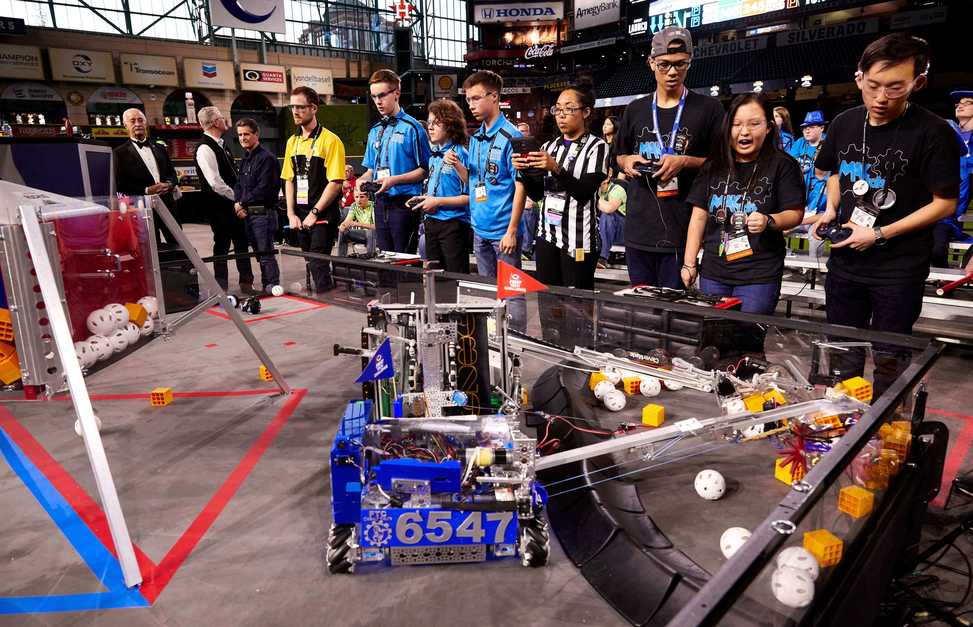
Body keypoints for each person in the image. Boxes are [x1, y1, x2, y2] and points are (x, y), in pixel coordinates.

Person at [812, 33, 960, 398]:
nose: (881, 98)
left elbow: (946, 203)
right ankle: (845, 425)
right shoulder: (845, 123)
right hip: (845, 260)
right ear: (859, 77)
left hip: (899, 267)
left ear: (917, 83)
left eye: (895, 88)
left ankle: (882, 430)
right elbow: (832, 172)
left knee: (889, 356)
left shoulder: (933, 132)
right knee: (844, 349)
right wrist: (830, 209)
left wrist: (880, 234)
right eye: (874, 85)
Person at [615, 27, 724, 288]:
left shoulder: (709, 109)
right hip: (639, 228)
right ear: (651, 63)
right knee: (641, 309)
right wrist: (626, 161)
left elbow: (722, 164)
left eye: (680, 64)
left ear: (689, 62)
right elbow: (618, 155)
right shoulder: (635, 109)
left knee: (674, 315)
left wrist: (685, 162)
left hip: (682, 229)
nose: (673, 72)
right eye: (664, 64)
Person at [682, 93, 806, 315]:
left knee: (746, 339)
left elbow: (795, 213)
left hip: (759, 274)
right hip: (713, 271)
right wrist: (689, 263)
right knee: (714, 338)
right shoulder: (713, 165)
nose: (744, 131)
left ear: (768, 127)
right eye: (736, 124)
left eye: (754, 124)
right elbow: (698, 216)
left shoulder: (783, 165)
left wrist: (770, 220)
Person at [515, 85, 608, 289]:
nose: (562, 115)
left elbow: (583, 192)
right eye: (558, 109)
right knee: (548, 302)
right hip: (547, 234)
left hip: (579, 238)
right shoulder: (548, 147)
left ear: (586, 112)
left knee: (577, 306)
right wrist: (525, 171)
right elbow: (538, 194)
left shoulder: (597, 146)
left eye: (569, 109)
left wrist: (556, 168)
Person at [464, 70, 527, 330]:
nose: (471, 105)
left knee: (512, 294)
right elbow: (475, 179)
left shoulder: (513, 137)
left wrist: (512, 230)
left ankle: (516, 343)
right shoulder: (476, 137)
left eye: (476, 98)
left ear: (494, 97)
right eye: (468, 100)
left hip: (504, 232)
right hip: (480, 228)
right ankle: (494, 343)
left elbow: (520, 184)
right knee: (488, 294)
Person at [357, 70, 431, 253]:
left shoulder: (413, 128)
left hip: (404, 203)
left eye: (382, 95)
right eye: (374, 96)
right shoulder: (375, 130)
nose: (378, 101)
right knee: (385, 259)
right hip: (380, 203)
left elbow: (425, 170)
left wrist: (394, 180)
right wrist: (362, 179)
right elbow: (370, 169)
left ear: (396, 93)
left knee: (404, 261)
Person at [281, 85, 347, 292]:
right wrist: (291, 213)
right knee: (310, 261)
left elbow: (335, 182)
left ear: (313, 108)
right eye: (293, 107)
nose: (295, 111)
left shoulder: (331, 140)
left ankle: (329, 302)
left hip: (322, 214)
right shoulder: (292, 141)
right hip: (300, 214)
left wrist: (314, 212)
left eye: (300, 107)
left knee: (318, 263)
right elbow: (289, 179)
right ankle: (325, 296)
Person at [194, 106, 254, 293]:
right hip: (219, 207)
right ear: (214, 122)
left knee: (242, 243)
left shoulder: (222, 144)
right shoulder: (205, 148)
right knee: (222, 245)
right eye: (221, 117)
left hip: (233, 204)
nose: (224, 120)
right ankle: (220, 289)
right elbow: (215, 183)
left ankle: (246, 283)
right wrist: (238, 197)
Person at [407, 99, 471, 273]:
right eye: (429, 123)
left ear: (451, 125)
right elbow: (436, 192)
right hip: (431, 223)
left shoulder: (462, 155)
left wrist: (437, 202)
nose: (430, 127)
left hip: (453, 225)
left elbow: (470, 197)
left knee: (456, 276)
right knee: (435, 276)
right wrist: (424, 199)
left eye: (436, 123)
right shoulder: (433, 157)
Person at [114, 108, 180, 246]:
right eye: (133, 121)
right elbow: (120, 184)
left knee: (178, 242)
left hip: (167, 204)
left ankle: (185, 267)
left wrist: (168, 184)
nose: (137, 124)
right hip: (141, 207)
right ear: (125, 125)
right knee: (150, 247)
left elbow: (173, 174)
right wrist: (146, 190)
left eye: (140, 120)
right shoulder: (119, 153)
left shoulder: (160, 147)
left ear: (145, 123)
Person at [233, 118, 281, 293]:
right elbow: (239, 185)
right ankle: (266, 287)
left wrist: (241, 203)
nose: (243, 138)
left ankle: (272, 287)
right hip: (249, 214)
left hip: (263, 214)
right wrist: (238, 204)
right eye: (240, 135)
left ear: (256, 134)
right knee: (260, 255)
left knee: (266, 254)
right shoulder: (245, 159)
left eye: (246, 134)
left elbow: (264, 188)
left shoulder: (267, 159)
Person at [931, 90, 973, 267]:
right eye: (957, 104)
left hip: (950, 210)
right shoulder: (946, 131)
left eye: (967, 102)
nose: (959, 105)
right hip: (941, 207)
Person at [787, 110, 829, 257]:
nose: (807, 129)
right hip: (800, 209)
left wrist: (799, 221)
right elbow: (790, 166)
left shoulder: (828, 145)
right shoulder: (800, 144)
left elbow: (827, 213)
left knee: (816, 233)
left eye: (811, 126)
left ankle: (812, 270)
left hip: (817, 216)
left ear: (822, 128)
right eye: (805, 127)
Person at [598, 169, 627, 269]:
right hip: (603, 232)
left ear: (606, 181)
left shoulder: (617, 189)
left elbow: (609, 208)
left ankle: (602, 257)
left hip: (622, 232)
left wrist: (591, 197)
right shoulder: (599, 192)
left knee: (607, 215)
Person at [337, 190, 376, 257]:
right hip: (361, 233)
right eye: (356, 197)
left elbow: (376, 227)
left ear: (368, 197)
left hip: (375, 234)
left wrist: (357, 224)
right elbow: (347, 221)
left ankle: (370, 257)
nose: (358, 200)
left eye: (362, 197)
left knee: (370, 231)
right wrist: (342, 226)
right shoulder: (354, 205)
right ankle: (341, 258)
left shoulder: (373, 206)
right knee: (343, 231)